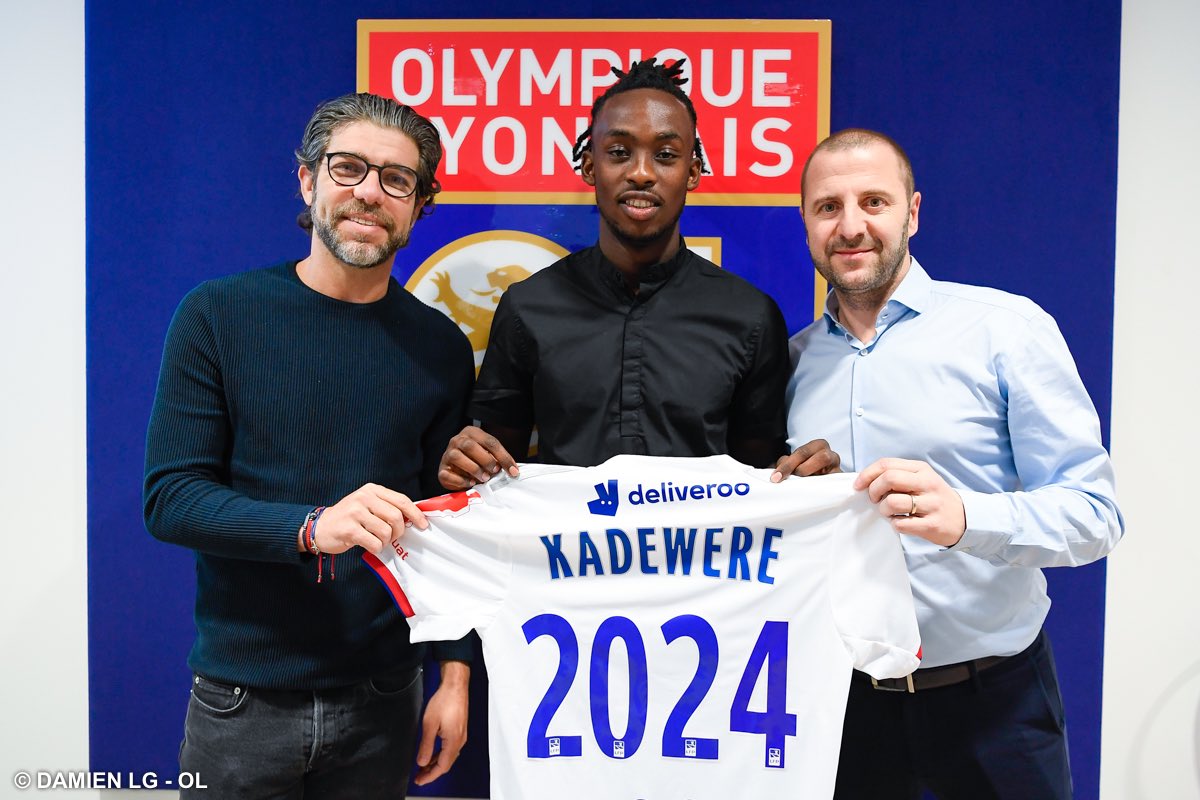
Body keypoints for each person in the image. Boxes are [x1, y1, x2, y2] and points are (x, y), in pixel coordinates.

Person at [144, 93, 474, 798]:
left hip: (385, 697)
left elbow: (445, 528)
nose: (369, 193)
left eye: (397, 179)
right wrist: (310, 527)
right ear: (307, 180)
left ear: (420, 206)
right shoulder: (218, 315)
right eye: (348, 168)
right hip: (242, 702)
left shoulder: (440, 348)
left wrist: (454, 674)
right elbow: (171, 500)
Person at [785, 128, 1124, 799]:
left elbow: (1095, 514)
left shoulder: (1005, 330)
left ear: (912, 212)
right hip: (844, 715)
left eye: (874, 202)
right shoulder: (793, 362)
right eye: (828, 207)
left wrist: (967, 517)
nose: (850, 226)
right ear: (806, 222)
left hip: (997, 708)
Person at [437, 58, 837, 486]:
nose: (642, 173)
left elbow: (762, 482)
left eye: (665, 155)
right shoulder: (528, 307)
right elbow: (497, 475)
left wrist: (813, 482)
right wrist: (468, 466)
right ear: (590, 166)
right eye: (619, 153)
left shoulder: (750, 317)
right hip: (563, 533)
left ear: (692, 172)